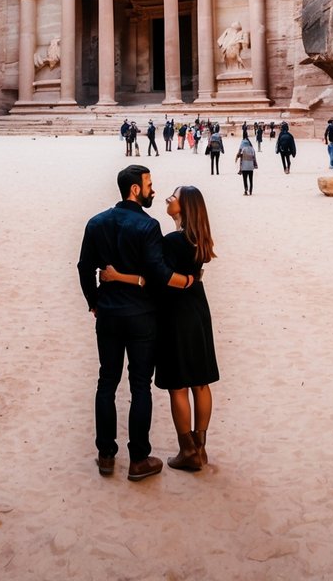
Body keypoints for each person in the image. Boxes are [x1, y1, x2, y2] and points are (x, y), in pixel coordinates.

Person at [77, 165, 195, 481]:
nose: (153, 190)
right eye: (149, 185)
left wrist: (94, 302)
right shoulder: (148, 225)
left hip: (108, 314)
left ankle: (106, 455)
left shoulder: (96, 222)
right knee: (140, 385)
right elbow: (158, 273)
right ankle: (139, 459)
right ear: (135, 190)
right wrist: (187, 281)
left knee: (107, 382)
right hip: (142, 316)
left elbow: (84, 267)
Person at [100, 185, 218, 472]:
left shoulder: (173, 241)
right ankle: (200, 448)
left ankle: (187, 451)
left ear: (184, 207)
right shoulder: (200, 239)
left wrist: (118, 276)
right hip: (198, 311)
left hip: (175, 314)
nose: (167, 199)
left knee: (178, 385)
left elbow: (155, 278)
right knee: (200, 382)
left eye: (173, 197)